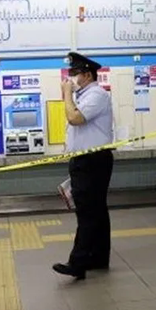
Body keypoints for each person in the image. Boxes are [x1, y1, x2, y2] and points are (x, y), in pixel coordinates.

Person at [52, 52, 114, 280]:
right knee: (96, 211)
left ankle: (77, 263)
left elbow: (75, 119)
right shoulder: (86, 95)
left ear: (87, 75)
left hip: (92, 161)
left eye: (75, 74)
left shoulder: (96, 95)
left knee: (87, 212)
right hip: (86, 160)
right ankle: (98, 257)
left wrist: (66, 94)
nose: (71, 79)